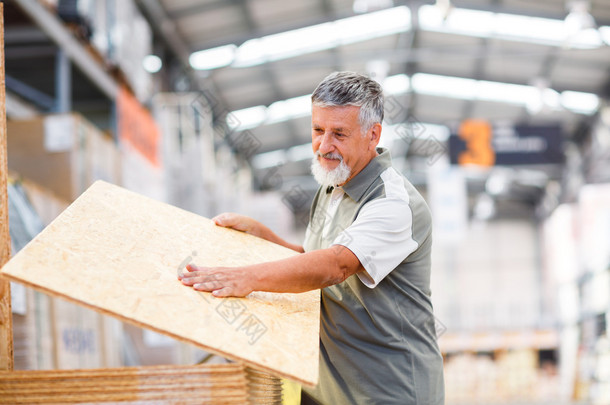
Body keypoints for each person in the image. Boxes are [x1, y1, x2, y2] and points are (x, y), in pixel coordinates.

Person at [178, 71, 445, 404]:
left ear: (372, 134)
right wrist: (263, 235)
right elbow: (312, 255)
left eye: (339, 134)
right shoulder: (333, 184)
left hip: (387, 390)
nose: (324, 145)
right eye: (318, 130)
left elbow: (335, 267)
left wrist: (246, 277)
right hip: (331, 388)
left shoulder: (393, 204)